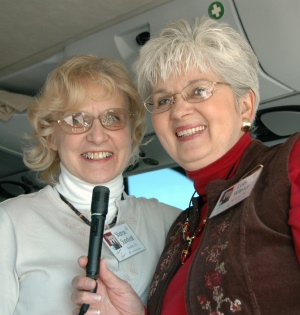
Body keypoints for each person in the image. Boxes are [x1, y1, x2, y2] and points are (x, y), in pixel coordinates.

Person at [71, 17, 300, 315]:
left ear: (244, 105)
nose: (178, 110)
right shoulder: (182, 226)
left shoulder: (289, 166)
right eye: (164, 100)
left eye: (199, 91)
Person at [0, 54, 181, 314]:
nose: (97, 136)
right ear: (51, 136)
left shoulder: (170, 223)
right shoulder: (11, 222)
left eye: (113, 118)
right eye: (76, 120)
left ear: (132, 132)